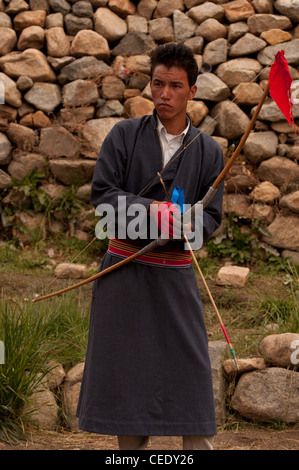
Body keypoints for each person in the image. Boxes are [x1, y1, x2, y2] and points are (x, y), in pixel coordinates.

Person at [76, 43, 224, 451]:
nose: (164, 94)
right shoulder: (123, 136)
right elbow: (103, 197)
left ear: (192, 90)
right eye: (158, 84)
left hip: (176, 274)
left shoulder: (210, 152)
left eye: (175, 86)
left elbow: (212, 218)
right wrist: (155, 212)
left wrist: (190, 225)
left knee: (190, 369)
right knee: (128, 376)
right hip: (124, 271)